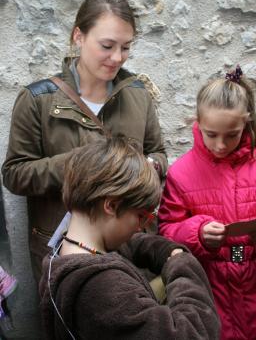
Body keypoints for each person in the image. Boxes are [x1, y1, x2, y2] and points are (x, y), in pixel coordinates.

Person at [1, 0, 167, 281]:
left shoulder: (138, 95)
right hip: (65, 251)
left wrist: (149, 167)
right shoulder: (37, 99)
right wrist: (81, 164)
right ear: (78, 36)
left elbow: (159, 154)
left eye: (126, 47)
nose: (117, 57)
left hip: (130, 248)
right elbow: (15, 174)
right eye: (107, 45)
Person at [39, 136, 220, 340]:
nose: (141, 227)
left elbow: (129, 244)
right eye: (140, 216)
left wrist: (163, 250)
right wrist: (183, 265)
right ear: (112, 205)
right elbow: (194, 332)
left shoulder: (65, 249)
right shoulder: (104, 289)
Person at [158, 65, 256, 340]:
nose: (221, 145)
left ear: (245, 124)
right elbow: (165, 233)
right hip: (210, 293)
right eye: (211, 134)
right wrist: (197, 233)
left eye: (231, 135)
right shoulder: (181, 173)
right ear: (197, 123)